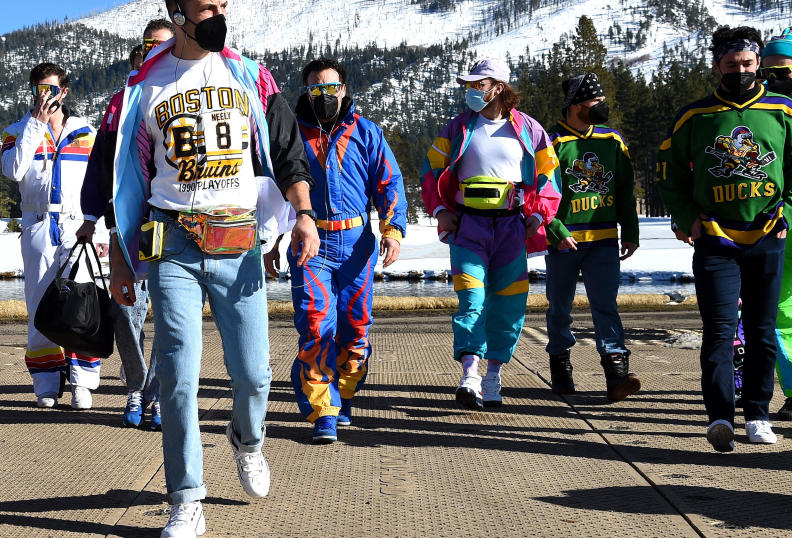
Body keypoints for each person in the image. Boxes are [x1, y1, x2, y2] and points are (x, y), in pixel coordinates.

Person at [110, 0, 317, 538]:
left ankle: (247, 440)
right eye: (206, 9)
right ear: (178, 15)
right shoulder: (140, 91)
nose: (218, 17)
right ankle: (185, 500)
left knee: (254, 373)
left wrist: (303, 216)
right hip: (171, 239)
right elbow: (121, 178)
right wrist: (123, 258)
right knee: (177, 374)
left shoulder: (250, 75)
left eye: (223, 6)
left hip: (237, 239)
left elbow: (285, 150)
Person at [657, 25, 792, 452]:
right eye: (732, 64)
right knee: (718, 331)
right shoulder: (693, 116)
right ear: (717, 66)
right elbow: (671, 176)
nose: (741, 70)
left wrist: (787, 207)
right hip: (715, 239)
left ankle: (758, 414)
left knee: (762, 329)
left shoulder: (783, 111)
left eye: (748, 63)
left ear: (759, 65)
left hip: (767, 234)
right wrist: (686, 217)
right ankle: (720, 416)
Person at [262, 57, 406, 444]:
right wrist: (271, 238)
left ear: (343, 89)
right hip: (311, 244)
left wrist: (392, 229)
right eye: (315, 89)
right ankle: (324, 409)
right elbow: (278, 188)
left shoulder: (368, 133)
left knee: (355, 328)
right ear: (305, 91)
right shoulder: (292, 133)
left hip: (358, 244)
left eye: (330, 87)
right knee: (315, 326)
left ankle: (344, 392)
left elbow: (389, 183)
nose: (323, 95)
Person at [421, 57, 561, 410]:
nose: (470, 91)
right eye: (468, 85)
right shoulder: (457, 128)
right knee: (472, 301)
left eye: (477, 85)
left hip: (512, 228)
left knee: (510, 305)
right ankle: (470, 374)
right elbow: (430, 170)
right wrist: (441, 210)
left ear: (497, 87)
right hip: (469, 227)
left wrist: (539, 217)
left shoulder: (529, 130)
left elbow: (549, 175)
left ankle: (494, 375)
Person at [79, 19, 175, 429]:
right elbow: (102, 159)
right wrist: (89, 213)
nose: (154, 49)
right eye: (148, 43)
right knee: (126, 311)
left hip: (172, 221)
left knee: (171, 313)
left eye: (162, 44)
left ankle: (153, 396)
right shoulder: (120, 102)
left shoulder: (186, 96)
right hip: (129, 222)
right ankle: (135, 386)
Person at [2, 62, 102, 409]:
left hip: (79, 226)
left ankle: (83, 382)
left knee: (81, 304)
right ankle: (46, 380)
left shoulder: (87, 133)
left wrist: (97, 224)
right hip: (39, 225)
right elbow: (13, 170)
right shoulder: (17, 131)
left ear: (66, 91)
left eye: (52, 90)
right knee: (39, 304)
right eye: (38, 90)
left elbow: (100, 183)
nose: (46, 96)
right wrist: (36, 127)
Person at [544, 72, 642, 401]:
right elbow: (541, 194)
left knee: (606, 306)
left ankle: (616, 374)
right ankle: (560, 365)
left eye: (602, 100)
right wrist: (555, 231)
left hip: (603, 240)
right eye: (594, 102)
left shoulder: (613, 141)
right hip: (564, 241)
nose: (601, 106)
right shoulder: (554, 142)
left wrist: (630, 231)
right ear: (575, 105)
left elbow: (626, 191)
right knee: (560, 307)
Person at [763, 27, 792, 420]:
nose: (775, 80)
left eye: (783, 71)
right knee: (779, 310)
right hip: (777, 219)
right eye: (767, 73)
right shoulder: (762, 115)